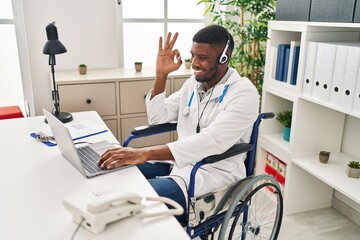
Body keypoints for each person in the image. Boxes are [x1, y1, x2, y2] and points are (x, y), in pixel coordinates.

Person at [98, 25, 259, 221]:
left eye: (203, 57)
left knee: (131, 200)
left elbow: (213, 140)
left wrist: (143, 152)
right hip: (178, 164)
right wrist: (161, 75)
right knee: (112, 174)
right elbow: (158, 118)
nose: (194, 63)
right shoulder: (193, 83)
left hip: (211, 174)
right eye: (193, 55)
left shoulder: (244, 93)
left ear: (224, 58)